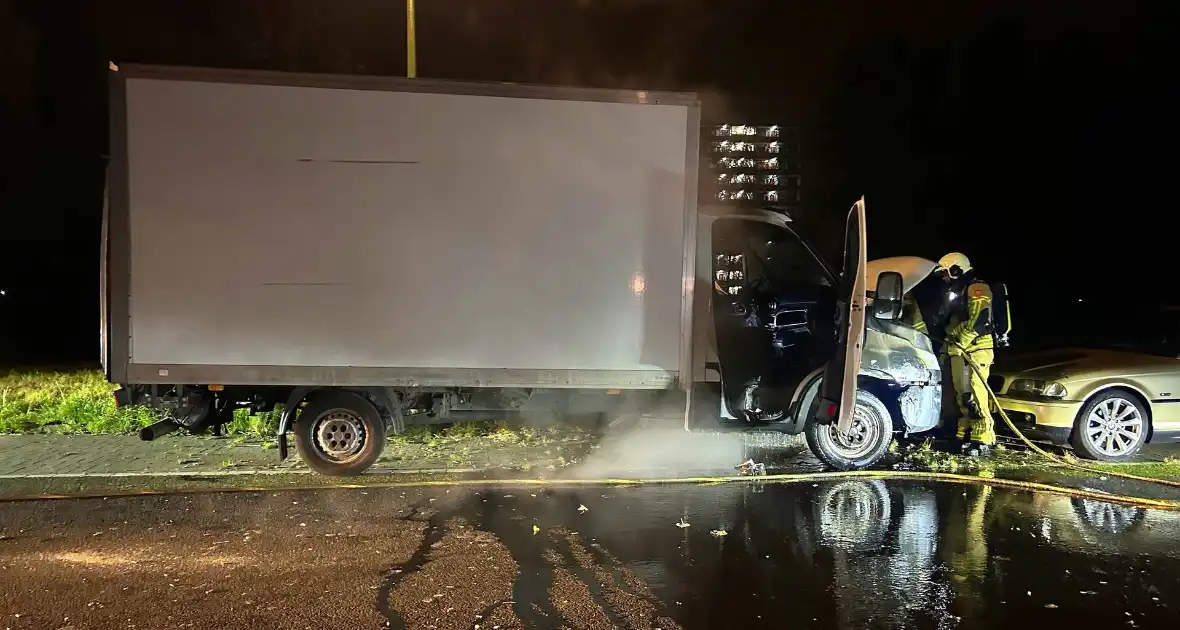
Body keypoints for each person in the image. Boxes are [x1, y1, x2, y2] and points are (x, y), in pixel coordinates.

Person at [934, 252, 996, 455]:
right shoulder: (957, 291)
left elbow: (980, 319)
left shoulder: (977, 288)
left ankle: (984, 438)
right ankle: (966, 433)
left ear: (957, 270)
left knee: (976, 392)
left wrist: (961, 340)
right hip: (959, 350)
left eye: (946, 273)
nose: (944, 278)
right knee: (963, 396)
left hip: (975, 349)